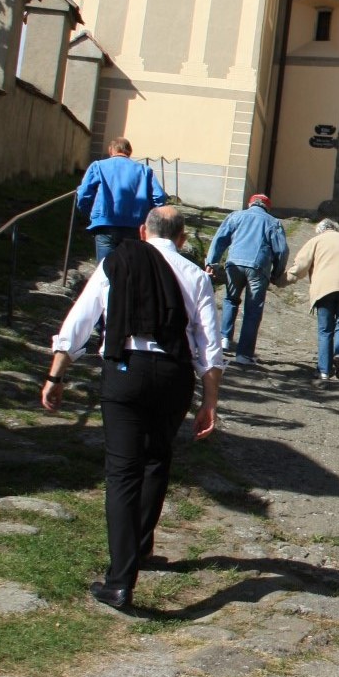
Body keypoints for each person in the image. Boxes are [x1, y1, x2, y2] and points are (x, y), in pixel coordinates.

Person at [41, 206, 223, 610]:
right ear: (181, 238)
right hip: (174, 375)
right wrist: (210, 400)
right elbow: (210, 344)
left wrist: (57, 373)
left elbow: (82, 318)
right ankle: (140, 545)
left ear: (143, 231)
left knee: (122, 472)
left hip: (125, 369)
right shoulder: (194, 275)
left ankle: (120, 579)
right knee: (157, 457)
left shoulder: (116, 261)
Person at [286, 218, 339, 381]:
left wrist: (282, 280)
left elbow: (300, 267)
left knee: (325, 330)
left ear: (320, 230)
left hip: (324, 289)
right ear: (336, 229)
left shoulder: (315, 241)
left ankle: (324, 371)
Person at [205, 194, 288, 365]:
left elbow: (219, 239)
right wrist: (277, 272)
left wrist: (211, 262)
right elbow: (282, 251)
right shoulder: (273, 222)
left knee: (230, 299)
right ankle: (243, 355)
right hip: (258, 267)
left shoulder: (235, 216)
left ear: (250, 204)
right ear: (268, 207)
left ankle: (224, 339)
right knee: (253, 311)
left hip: (234, 264)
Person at [75, 138, 167, 262]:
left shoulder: (98, 166)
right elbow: (159, 197)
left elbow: (84, 193)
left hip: (105, 224)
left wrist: (89, 212)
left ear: (110, 150)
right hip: (135, 226)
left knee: (104, 271)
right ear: (129, 152)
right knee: (130, 270)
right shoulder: (145, 170)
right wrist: (148, 217)